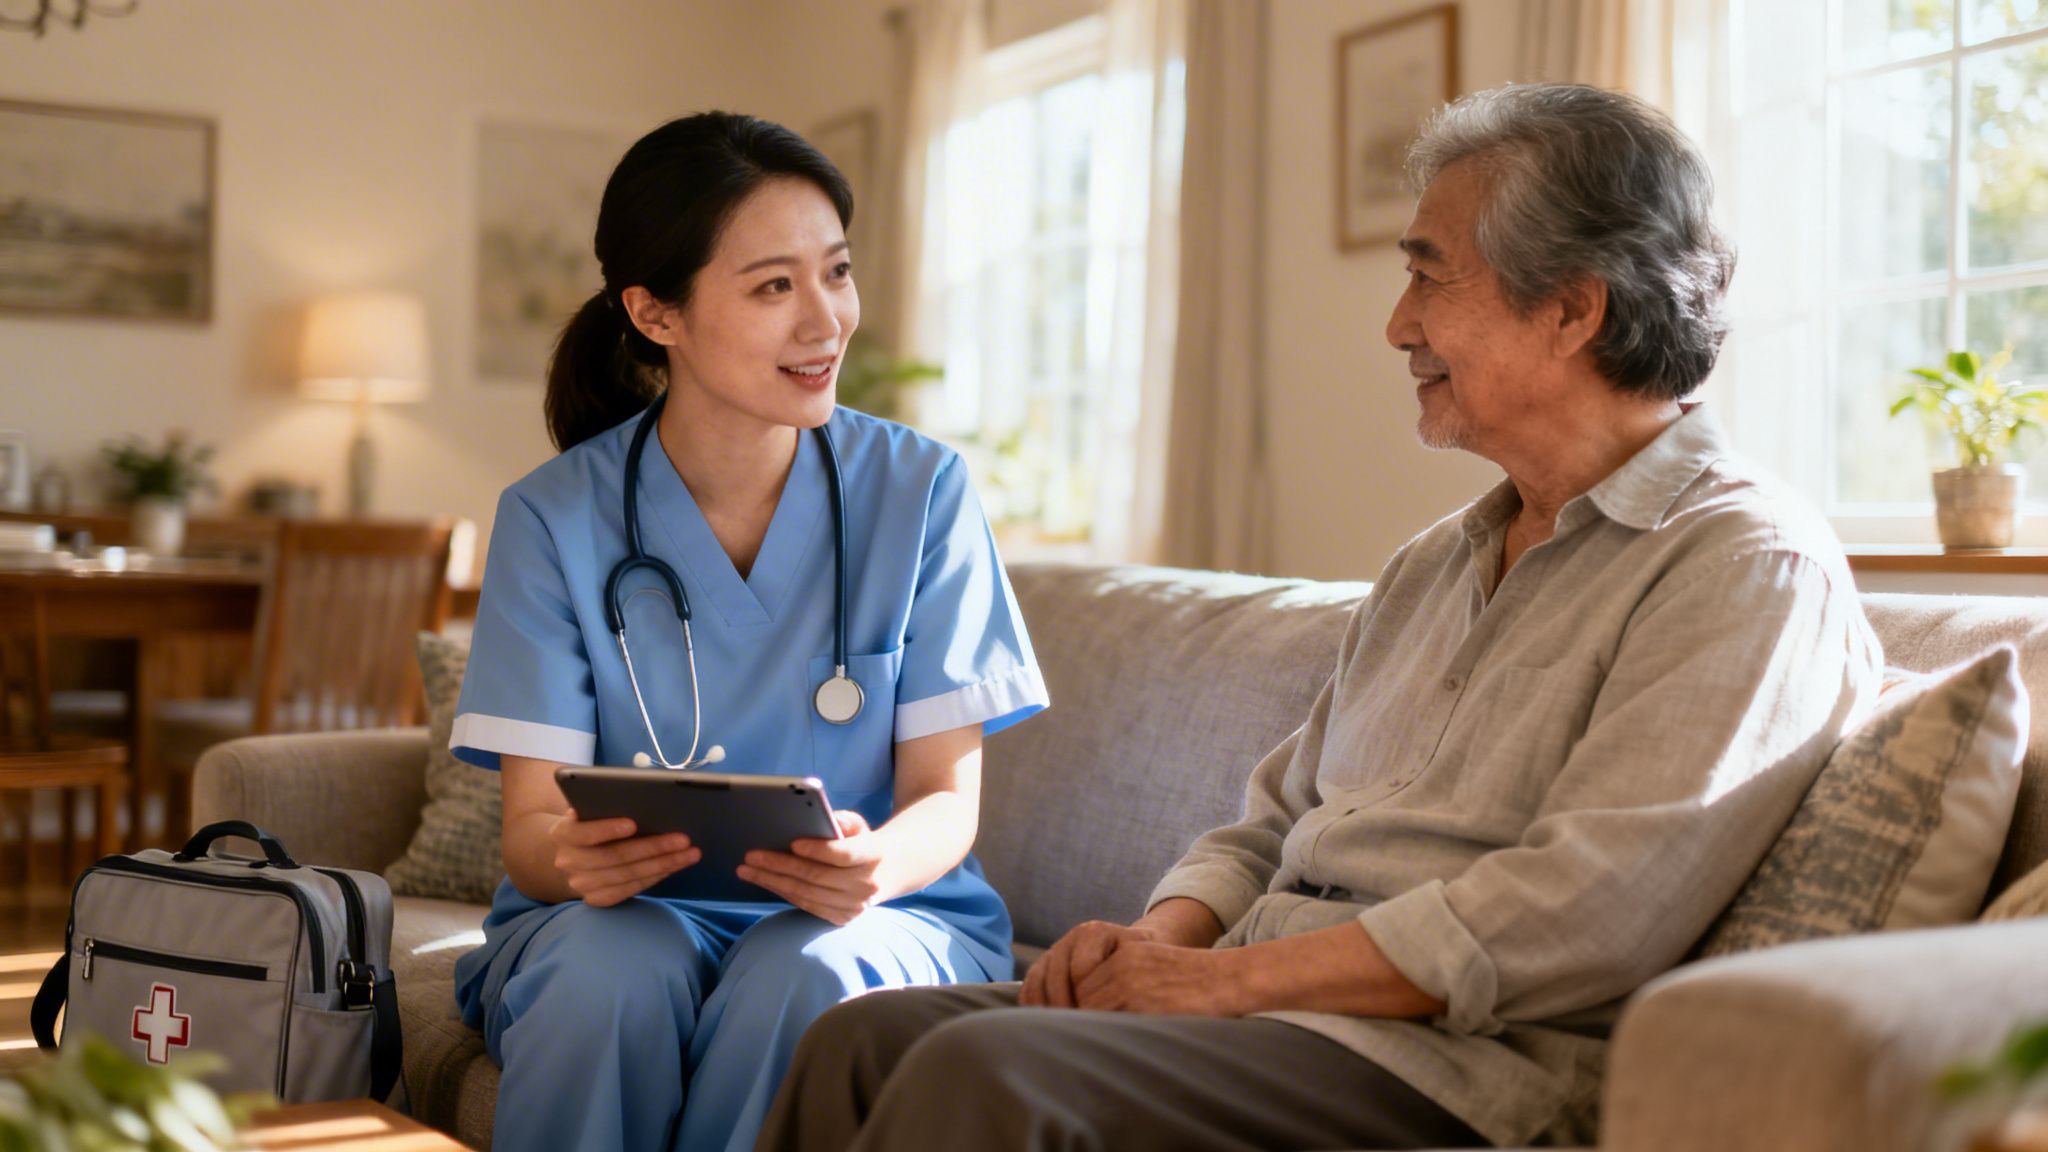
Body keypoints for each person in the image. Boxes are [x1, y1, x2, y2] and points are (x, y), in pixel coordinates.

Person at [758, 82, 1883, 1152]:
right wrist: (1153, 946)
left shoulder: (1741, 564)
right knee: (864, 1038)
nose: (1397, 326)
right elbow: (1271, 821)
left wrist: (1217, 987)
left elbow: (1586, 913)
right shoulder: (1431, 567)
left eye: (1429, 279)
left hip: (1452, 1066)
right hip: (1269, 1014)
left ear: (1571, 308)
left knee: (988, 1074)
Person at [446, 111, 1047, 1152]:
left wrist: (875, 867)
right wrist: (578, 862)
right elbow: (531, 835)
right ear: (654, 312)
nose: (825, 322)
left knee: (800, 973)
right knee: (604, 976)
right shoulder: (555, 517)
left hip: (872, 916)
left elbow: (944, 805)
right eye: (774, 286)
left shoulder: (921, 492)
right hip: (622, 920)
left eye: (836, 273)